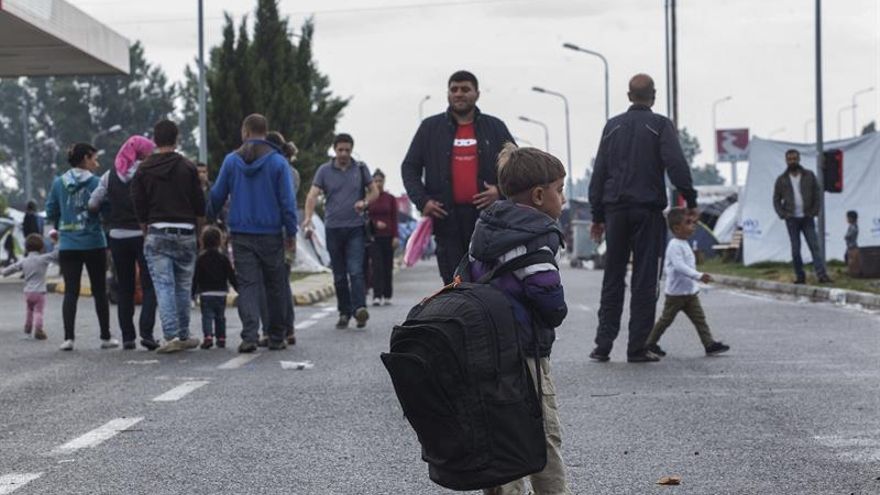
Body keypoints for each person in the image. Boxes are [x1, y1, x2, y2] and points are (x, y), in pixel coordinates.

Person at [468, 144, 570, 495]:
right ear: (540, 195)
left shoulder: (485, 231)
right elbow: (549, 300)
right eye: (560, 190)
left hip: (485, 350)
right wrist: (557, 309)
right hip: (525, 351)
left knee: (499, 431)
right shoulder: (535, 240)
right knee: (543, 433)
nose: (563, 199)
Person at [587, 73, 698, 363]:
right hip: (647, 211)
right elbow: (676, 165)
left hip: (615, 212)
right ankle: (637, 347)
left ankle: (603, 345)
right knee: (645, 279)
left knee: (613, 278)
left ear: (628, 96)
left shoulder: (612, 127)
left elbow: (599, 172)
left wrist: (597, 215)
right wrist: (690, 198)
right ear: (654, 95)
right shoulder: (659, 125)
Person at [402, 70, 515, 285]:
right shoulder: (429, 129)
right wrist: (422, 201)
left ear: (477, 94)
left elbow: (516, 167)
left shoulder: (495, 127)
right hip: (446, 220)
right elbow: (409, 167)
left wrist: (500, 192)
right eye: (454, 89)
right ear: (447, 94)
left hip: (489, 221)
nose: (459, 94)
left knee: (488, 281)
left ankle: (485, 318)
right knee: (454, 283)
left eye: (465, 89)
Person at [210, 114, 298, 352]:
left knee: (248, 285)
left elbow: (217, 195)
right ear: (264, 131)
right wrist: (291, 232)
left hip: (240, 233)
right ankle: (277, 336)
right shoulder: (278, 163)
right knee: (275, 284)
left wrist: (208, 218)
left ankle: (249, 336)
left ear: (245, 132)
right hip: (271, 234)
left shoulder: (231, 161)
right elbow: (287, 202)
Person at [132, 120, 206, 354]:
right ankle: (184, 334)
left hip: (157, 231)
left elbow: (139, 204)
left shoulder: (143, 169)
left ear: (155, 140)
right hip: (185, 231)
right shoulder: (188, 167)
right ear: (177, 139)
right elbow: (199, 204)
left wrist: (146, 230)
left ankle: (171, 335)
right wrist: (199, 232)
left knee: (163, 286)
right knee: (184, 287)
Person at [45, 143, 119, 351]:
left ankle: (68, 339)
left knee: (71, 291)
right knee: (99, 290)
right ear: (86, 159)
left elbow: (51, 211)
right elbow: (107, 209)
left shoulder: (59, 183)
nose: (97, 163)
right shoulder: (97, 182)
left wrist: (63, 222)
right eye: (94, 158)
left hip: (68, 244)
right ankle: (105, 337)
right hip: (94, 242)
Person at [89, 135, 159, 351]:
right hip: (142, 235)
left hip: (117, 236)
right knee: (149, 285)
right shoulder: (148, 173)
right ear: (144, 154)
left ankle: (128, 337)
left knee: (125, 287)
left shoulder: (109, 176)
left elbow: (92, 203)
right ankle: (147, 333)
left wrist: (107, 211)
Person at [303, 133, 377, 329]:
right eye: (340, 150)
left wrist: (365, 202)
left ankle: (360, 309)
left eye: (347, 150)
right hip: (333, 228)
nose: (343, 153)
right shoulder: (324, 171)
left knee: (356, 270)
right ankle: (344, 312)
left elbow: (374, 191)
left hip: (355, 228)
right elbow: (312, 195)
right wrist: (308, 218)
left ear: (352, 150)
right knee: (339, 275)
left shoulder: (360, 169)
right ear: (334, 150)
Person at [644, 208, 730, 357]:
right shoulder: (674, 245)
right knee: (665, 321)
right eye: (688, 223)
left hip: (690, 294)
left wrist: (695, 282)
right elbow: (679, 266)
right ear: (677, 228)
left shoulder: (684, 243)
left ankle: (709, 344)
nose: (693, 225)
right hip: (676, 295)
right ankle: (650, 343)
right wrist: (698, 276)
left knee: (700, 319)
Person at [772, 149, 832, 284]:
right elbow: (776, 199)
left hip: (807, 217)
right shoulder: (782, 180)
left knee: (814, 247)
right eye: (789, 159)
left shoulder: (809, 175)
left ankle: (821, 275)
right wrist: (783, 214)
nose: (792, 161)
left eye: (794, 158)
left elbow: (817, 194)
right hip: (791, 219)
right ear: (786, 161)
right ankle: (800, 276)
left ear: (799, 159)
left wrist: (814, 211)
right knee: (795, 249)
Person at [265, 130, 298, 345]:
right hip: (287, 232)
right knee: (282, 281)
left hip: (278, 232)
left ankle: (279, 328)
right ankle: (288, 328)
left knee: (276, 284)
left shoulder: (278, 169)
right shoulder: (292, 171)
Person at [1, 232, 58, 341]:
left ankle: (27, 329)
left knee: (29, 311)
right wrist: (56, 242)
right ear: (41, 247)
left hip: (28, 292)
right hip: (40, 292)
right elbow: (56, 254)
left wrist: (3, 272)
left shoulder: (24, 261)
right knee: (39, 312)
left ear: (26, 248)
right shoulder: (43, 258)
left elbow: (12, 268)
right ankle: (38, 329)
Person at [192, 226, 237, 349]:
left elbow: (196, 277)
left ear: (203, 241)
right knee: (220, 316)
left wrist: (192, 293)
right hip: (221, 292)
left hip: (205, 293)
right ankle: (221, 337)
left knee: (207, 316)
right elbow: (231, 275)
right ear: (219, 241)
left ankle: (208, 337)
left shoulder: (200, 258)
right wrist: (238, 288)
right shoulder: (224, 258)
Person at [367, 169, 399, 306]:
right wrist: (374, 224)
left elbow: (395, 218)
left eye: (380, 181)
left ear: (384, 182)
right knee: (376, 266)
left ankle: (387, 294)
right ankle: (377, 295)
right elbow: (365, 217)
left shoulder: (390, 198)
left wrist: (396, 236)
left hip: (388, 237)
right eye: (375, 181)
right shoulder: (369, 198)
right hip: (374, 237)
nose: (378, 184)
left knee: (388, 266)